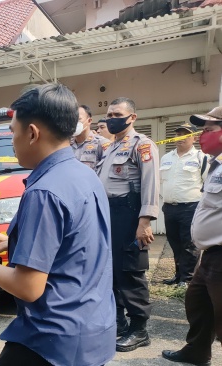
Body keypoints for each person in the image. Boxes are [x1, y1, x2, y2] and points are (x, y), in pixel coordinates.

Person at [0, 84, 116, 366]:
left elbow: (28, 287)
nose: (11, 140)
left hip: (53, 339)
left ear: (32, 133)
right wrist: (11, 242)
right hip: (93, 327)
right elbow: (76, 241)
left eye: (12, 131)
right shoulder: (84, 175)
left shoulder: (43, 192)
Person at [96, 97, 160, 352]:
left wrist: (145, 222)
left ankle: (139, 329)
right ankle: (120, 323)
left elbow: (151, 183)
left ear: (132, 117)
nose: (111, 118)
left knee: (131, 272)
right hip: (109, 215)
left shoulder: (142, 145)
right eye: (109, 114)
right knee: (112, 271)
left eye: (117, 114)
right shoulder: (110, 147)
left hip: (130, 214)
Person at [162, 107, 222, 366]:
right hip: (210, 255)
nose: (202, 136)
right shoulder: (216, 164)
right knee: (197, 302)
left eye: (209, 130)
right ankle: (197, 351)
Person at [159, 122, 208, 287]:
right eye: (178, 134)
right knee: (174, 243)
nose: (180, 137)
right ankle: (179, 275)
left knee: (189, 244)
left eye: (185, 134)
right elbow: (160, 182)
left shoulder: (201, 157)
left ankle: (188, 279)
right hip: (169, 208)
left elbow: (207, 184)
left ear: (194, 138)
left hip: (190, 208)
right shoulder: (166, 158)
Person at [70, 104, 110, 169]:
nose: (74, 123)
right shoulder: (66, 145)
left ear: (89, 121)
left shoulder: (101, 143)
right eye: (71, 119)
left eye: (78, 119)